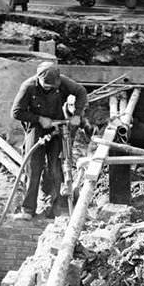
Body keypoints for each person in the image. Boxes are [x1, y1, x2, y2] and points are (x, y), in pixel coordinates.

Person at [11, 62, 88, 219]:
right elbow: (16, 112)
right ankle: (28, 210)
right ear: (38, 78)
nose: (48, 88)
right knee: (34, 167)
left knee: (56, 167)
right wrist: (39, 119)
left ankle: (55, 210)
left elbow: (81, 92)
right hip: (36, 127)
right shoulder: (28, 87)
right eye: (45, 85)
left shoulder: (63, 82)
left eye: (51, 86)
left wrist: (77, 115)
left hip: (58, 126)